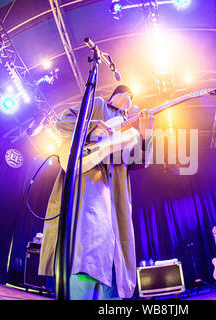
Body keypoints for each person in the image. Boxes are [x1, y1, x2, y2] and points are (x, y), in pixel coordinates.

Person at [38, 85, 155, 300]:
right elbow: (62, 122)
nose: (127, 99)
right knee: (87, 250)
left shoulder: (130, 131)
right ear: (113, 97)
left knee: (114, 260)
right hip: (89, 185)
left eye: (131, 98)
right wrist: (93, 128)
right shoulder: (99, 105)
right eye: (124, 95)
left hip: (115, 196)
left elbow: (137, 162)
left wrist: (147, 134)